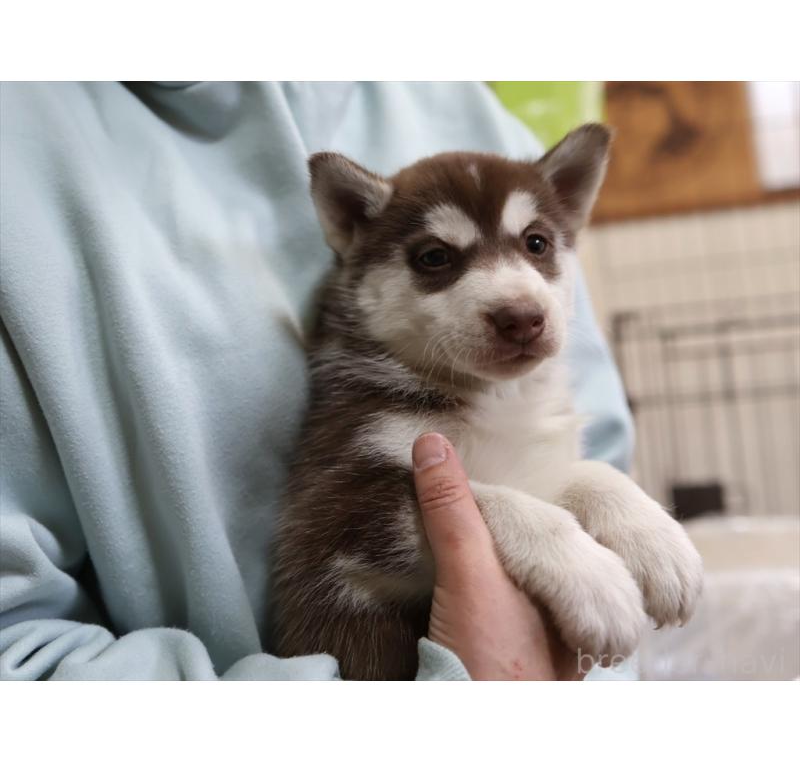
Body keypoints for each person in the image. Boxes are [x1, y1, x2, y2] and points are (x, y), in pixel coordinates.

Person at [0, 82, 633, 680]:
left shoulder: (450, 94)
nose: (517, 299)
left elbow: (595, 503)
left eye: (536, 245)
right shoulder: (27, 141)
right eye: (437, 258)